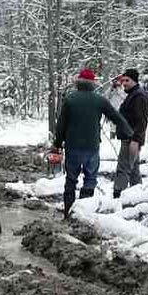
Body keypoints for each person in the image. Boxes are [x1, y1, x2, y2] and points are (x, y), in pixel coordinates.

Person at [54, 68, 131, 219]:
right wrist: (129, 132)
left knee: (71, 179)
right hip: (92, 147)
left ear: (78, 82)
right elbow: (116, 117)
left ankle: (68, 213)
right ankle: (82, 214)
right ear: (93, 83)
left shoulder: (70, 99)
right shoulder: (99, 100)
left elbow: (61, 124)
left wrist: (57, 144)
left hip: (72, 146)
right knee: (90, 179)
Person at [111, 67, 148, 199]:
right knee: (133, 170)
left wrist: (136, 141)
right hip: (130, 138)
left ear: (134, 81)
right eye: (123, 81)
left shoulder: (139, 96)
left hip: (131, 140)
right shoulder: (133, 95)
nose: (124, 83)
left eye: (127, 80)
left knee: (123, 169)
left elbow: (142, 121)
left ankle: (117, 197)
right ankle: (138, 197)